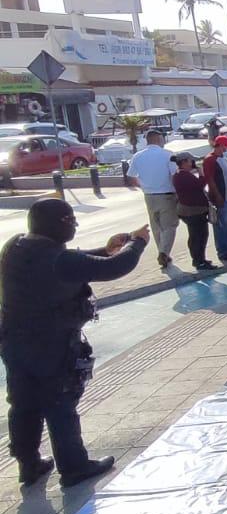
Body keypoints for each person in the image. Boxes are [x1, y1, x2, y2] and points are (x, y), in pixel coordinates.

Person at [1, 199, 149, 487]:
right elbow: (116, 268)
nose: (75, 225)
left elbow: (76, 265)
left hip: (13, 343)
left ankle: (28, 464)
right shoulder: (59, 259)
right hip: (51, 344)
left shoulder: (15, 246)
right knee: (60, 404)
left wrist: (104, 250)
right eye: (71, 220)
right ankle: (74, 466)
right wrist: (137, 243)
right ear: (59, 224)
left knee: (23, 404)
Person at [126, 129, 178, 268]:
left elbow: (131, 177)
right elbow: (174, 175)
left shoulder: (138, 156)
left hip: (149, 195)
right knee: (169, 226)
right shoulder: (167, 155)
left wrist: (143, 186)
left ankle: (162, 251)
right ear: (158, 139)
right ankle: (164, 253)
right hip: (166, 194)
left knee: (156, 226)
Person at [172, 152, 215, 270]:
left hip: (193, 210)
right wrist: (201, 173)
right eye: (190, 161)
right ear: (184, 162)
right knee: (198, 236)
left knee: (199, 235)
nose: (192, 163)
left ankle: (200, 259)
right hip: (192, 211)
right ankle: (198, 260)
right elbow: (200, 184)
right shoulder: (182, 175)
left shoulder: (182, 174)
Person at [203, 135, 227, 261]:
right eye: (225, 146)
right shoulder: (210, 160)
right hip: (222, 198)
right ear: (219, 145)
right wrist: (217, 196)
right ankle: (223, 251)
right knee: (222, 225)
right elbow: (210, 180)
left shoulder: (223, 158)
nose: (226, 149)